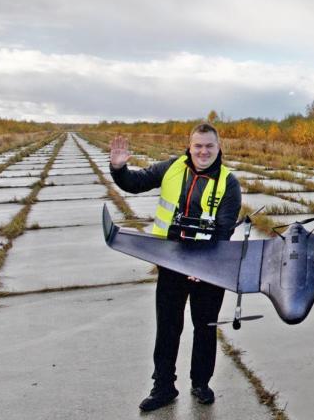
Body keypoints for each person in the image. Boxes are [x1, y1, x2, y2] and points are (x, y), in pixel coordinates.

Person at [109, 123, 242, 412]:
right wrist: (118, 169)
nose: (203, 151)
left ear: (219, 148)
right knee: (168, 327)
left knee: (205, 328)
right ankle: (164, 386)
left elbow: (223, 233)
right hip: (171, 262)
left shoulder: (229, 183)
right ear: (190, 146)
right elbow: (135, 182)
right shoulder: (172, 167)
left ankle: (201, 382)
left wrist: (204, 267)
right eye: (198, 146)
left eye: (209, 146)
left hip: (210, 266)